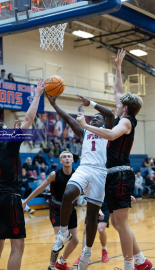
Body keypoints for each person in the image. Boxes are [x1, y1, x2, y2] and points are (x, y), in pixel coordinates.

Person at [76, 49, 152, 270]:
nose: (115, 105)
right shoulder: (124, 115)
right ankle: (140, 261)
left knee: (122, 224)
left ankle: (130, 266)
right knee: (118, 224)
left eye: (119, 105)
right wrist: (118, 68)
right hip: (114, 174)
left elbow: (109, 135)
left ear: (125, 109)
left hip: (119, 174)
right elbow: (119, 93)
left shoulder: (127, 122)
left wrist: (86, 126)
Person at [45, 91, 114, 270]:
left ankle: (87, 253)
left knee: (92, 216)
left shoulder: (107, 132)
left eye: (99, 118)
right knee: (68, 194)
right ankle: (63, 233)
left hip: (99, 172)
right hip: (84, 168)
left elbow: (110, 114)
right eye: (94, 118)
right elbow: (68, 118)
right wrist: (53, 105)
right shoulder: (84, 132)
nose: (96, 119)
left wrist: (91, 103)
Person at [0, 78, 47, 270]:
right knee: (18, 245)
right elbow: (29, 119)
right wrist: (37, 95)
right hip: (10, 199)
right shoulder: (9, 145)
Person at [23, 151, 79, 270]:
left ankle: (62, 261)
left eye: (69, 156)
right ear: (60, 161)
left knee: (75, 241)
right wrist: (25, 201)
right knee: (59, 240)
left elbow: (82, 191)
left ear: (73, 160)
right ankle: (51, 266)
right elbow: (40, 188)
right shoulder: (54, 174)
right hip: (56, 208)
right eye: (64, 157)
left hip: (70, 208)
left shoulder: (77, 175)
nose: (67, 159)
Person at [73, 199, 109, 266]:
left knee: (101, 230)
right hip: (92, 206)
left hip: (104, 206)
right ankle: (84, 255)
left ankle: (104, 250)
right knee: (85, 230)